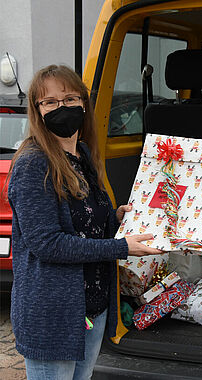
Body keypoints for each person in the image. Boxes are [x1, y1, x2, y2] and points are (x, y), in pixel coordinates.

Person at [7, 65, 163, 380]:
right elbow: (47, 244)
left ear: (83, 103)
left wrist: (114, 218)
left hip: (91, 307)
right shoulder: (33, 164)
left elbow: (85, 221)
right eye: (49, 102)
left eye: (69, 98)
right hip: (53, 314)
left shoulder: (82, 155)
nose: (61, 107)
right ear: (37, 111)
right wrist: (120, 247)